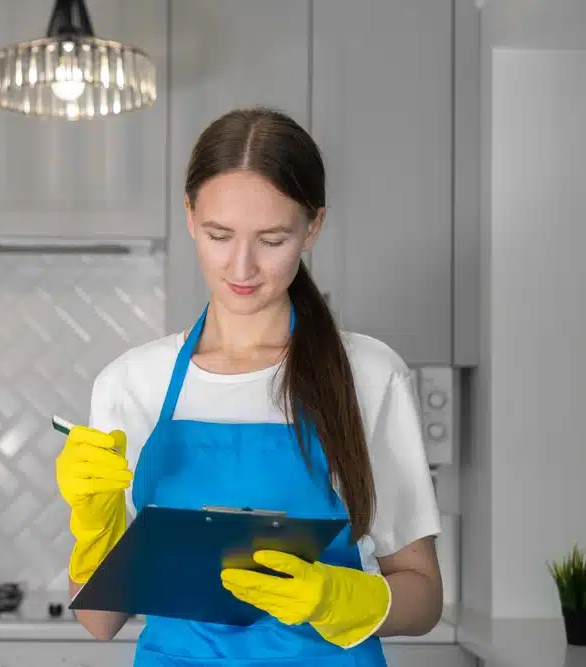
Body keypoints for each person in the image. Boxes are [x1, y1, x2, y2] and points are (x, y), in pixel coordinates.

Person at [56, 108, 444, 666]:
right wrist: (95, 522)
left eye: (272, 238)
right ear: (189, 217)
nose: (242, 266)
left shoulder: (368, 373)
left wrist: (342, 597)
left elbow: (424, 597)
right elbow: (99, 620)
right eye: (219, 235)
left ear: (313, 227)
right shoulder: (133, 383)